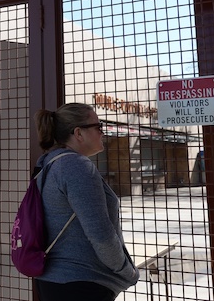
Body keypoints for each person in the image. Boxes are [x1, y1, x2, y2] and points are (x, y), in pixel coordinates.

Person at [33, 103, 139, 301]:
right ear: (78, 133)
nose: (103, 133)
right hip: (82, 284)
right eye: (98, 127)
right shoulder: (76, 166)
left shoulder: (49, 162)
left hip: (55, 280)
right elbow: (101, 234)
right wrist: (127, 271)